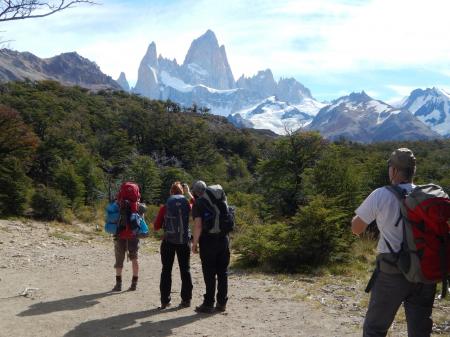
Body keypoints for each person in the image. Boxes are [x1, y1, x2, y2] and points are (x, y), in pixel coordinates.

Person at [351, 148, 436, 337]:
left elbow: (356, 228)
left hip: (391, 272)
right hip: (424, 272)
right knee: (420, 332)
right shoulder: (428, 196)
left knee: (375, 329)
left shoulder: (381, 194)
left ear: (395, 171)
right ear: (413, 171)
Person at [191, 180, 230, 313]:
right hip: (224, 239)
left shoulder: (199, 203)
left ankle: (208, 304)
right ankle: (222, 303)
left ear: (195, 192)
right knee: (223, 272)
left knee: (209, 273)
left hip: (208, 241)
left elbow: (198, 225)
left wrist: (194, 243)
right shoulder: (220, 198)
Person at [154, 181, 194, 309]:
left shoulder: (165, 207)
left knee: (166, 271)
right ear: (182, 192)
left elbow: (156, 227)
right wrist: (189, 194)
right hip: (184, 242)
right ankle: (186, 300)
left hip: (168, 242)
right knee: (185, 270)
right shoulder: (187, 205)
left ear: (171, 192)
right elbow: (197, 205)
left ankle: (165, 301)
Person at [112, 182, 142, 292]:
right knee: (134, 258)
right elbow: (141, 221)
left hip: (120, 234)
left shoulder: (118, 203)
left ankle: (118, 284)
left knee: (119, 260)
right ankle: (134, 284)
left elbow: (112, 218)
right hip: (134, 235)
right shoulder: (138, 205)